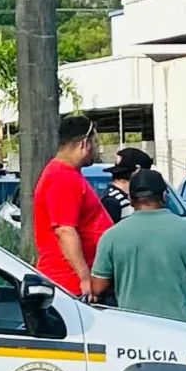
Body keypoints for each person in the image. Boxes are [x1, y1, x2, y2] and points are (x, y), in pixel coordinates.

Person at [87, 168, 186, 325]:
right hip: (183, 326)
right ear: (164, 195)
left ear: (130, 199)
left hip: (134, 326)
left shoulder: (111, 236)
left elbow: (98, 288)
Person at [30, 114, 109, 297]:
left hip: (73, 281)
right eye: (94, 142)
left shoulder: (68, 174)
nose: (96, 148)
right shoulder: (62, 177)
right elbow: (65, 230)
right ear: (84, 144)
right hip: (69, 284)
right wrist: (84, 278)